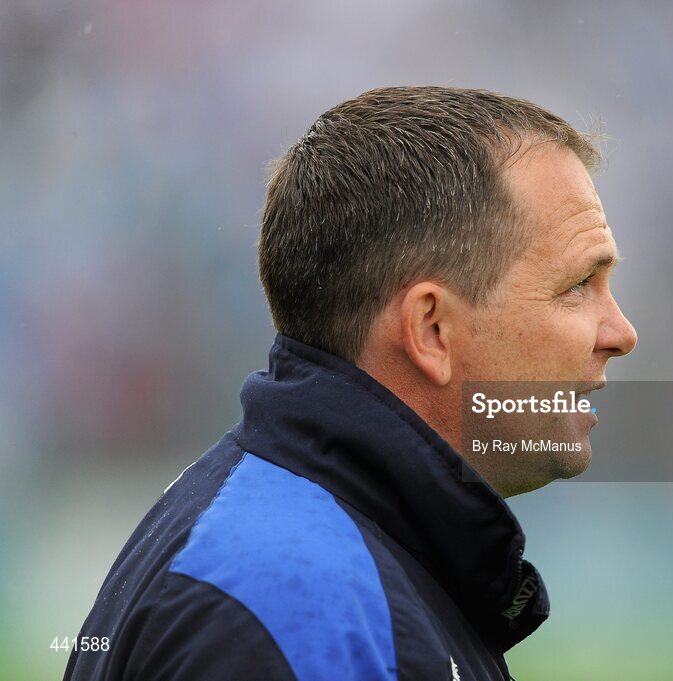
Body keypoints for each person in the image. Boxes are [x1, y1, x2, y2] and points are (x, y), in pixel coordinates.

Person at [64, 86, 637, 681]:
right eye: (577, 286)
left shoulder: (334, 556)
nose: (621, 333)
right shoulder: (288, 609)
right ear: (432, 329)